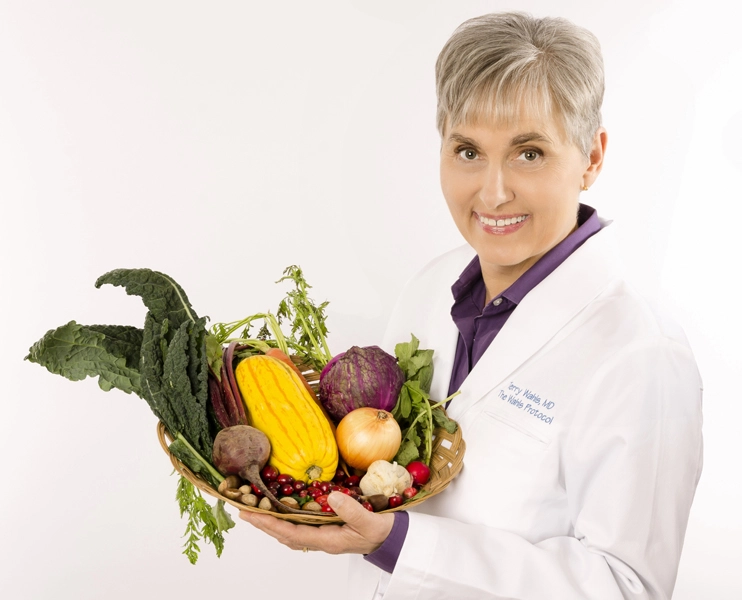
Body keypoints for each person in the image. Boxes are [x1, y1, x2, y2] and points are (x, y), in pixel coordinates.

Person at [239, 12, 703, 600]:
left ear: (591, 156)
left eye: (528, 153)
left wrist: (399, 543)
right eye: (467, 151)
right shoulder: (430, 288)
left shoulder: (640, 355)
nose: (492, 191)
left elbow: (625, 586)